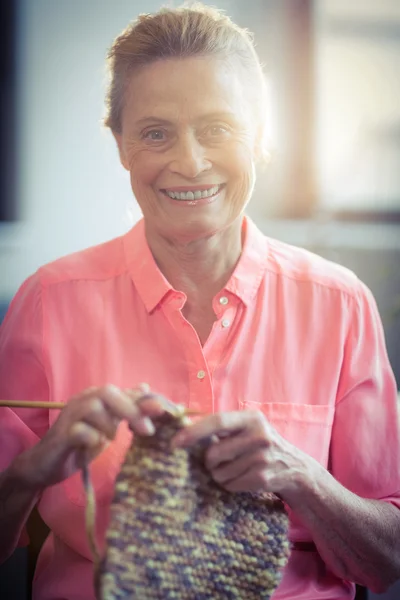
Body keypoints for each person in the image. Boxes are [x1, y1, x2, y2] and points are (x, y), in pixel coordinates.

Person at [0, 4, 399, 600]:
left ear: (261, 136)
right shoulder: (48, 301)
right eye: (156, 132)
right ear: (122, 147)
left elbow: (387, 561)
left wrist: (303, 478)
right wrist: (31, 474)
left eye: (217, 128)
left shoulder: (340, 305)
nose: (189, 162)